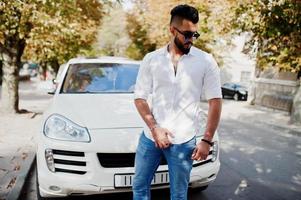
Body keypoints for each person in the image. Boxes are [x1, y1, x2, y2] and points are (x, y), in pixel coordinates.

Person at [133, 4, 222, 200]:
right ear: (172, 30)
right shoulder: (151, 59)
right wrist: (154, 127)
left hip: (183, 141)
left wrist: (207, 139)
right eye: (187, 34)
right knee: (139, 187)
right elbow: (140, 97)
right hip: (151, 137)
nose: (191, 39)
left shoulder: (206, 61)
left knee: (179, 195)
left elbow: (215, 101)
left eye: (195, 35)